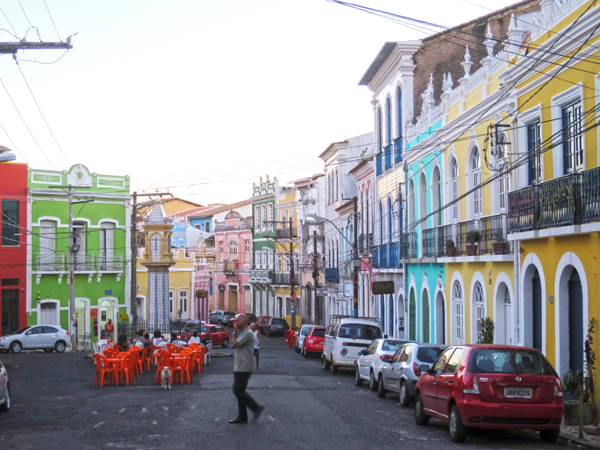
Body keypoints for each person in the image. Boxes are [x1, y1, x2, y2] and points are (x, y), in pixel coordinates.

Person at [229, 314, 264, 424]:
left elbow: (234, 345)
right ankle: (242, 416)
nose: (236, 323)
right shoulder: (243, 332)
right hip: (239, 365)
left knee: (237, 390)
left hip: (244, 366)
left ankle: (256, 407)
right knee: (240, 390)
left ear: (243, 322)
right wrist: (236, 330)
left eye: (237, 321)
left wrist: (234, 332)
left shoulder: (248, 333)